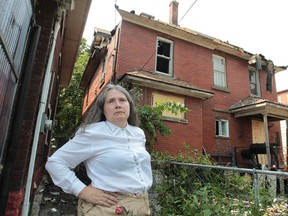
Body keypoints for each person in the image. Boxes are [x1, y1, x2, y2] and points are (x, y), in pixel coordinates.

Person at [45, 84, 153, 215]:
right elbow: (55, 162)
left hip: (141, 206)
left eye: (122, 100)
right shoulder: (92, 133)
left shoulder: (138, 133)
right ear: (103, 109)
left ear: (129, 105)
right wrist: (81, 190)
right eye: (111, 101)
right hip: (107, 208)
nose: (118, 105)